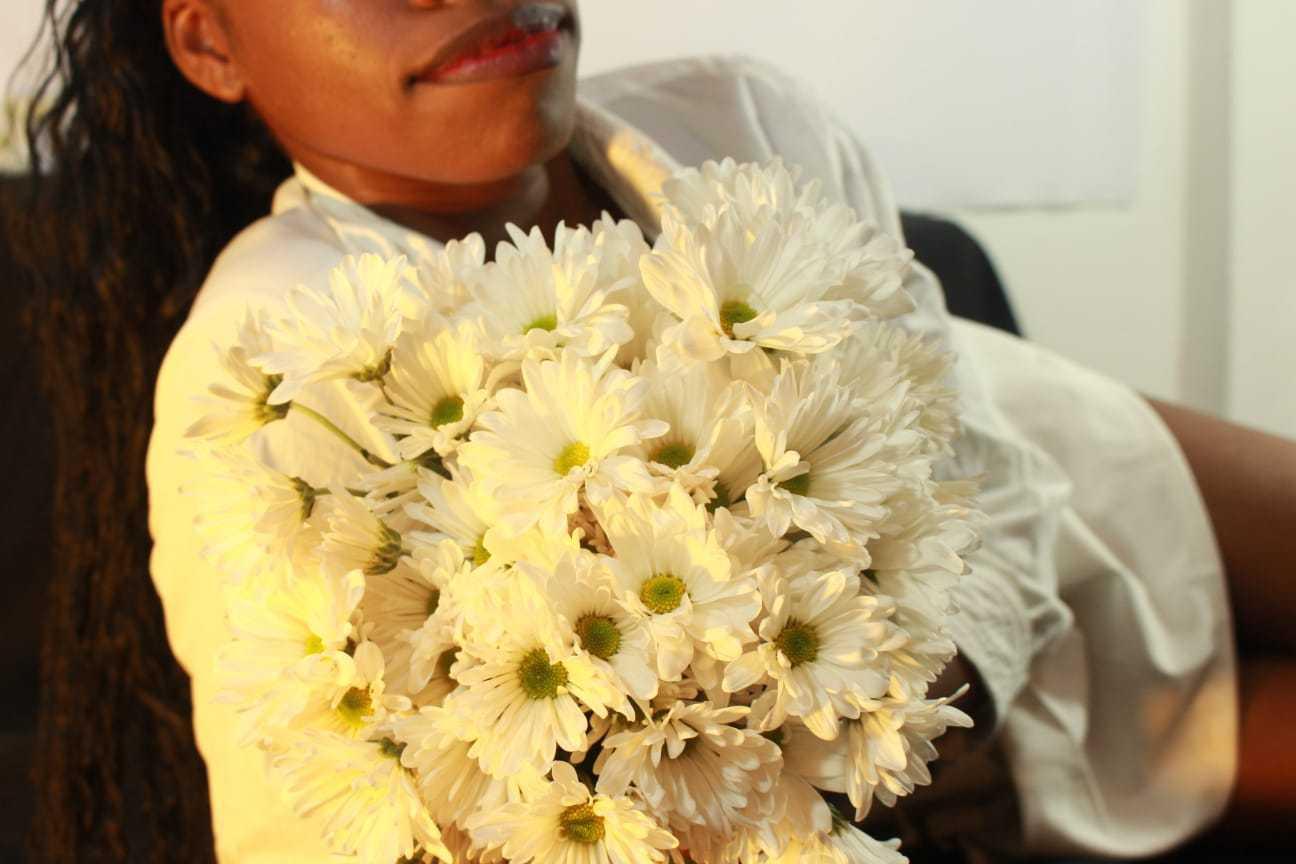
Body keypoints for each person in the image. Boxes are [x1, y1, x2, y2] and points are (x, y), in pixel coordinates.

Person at [11, 0, 1294, 862]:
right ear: (209, 43)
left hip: (1048, 494)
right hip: (936, 740)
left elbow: (967, 446)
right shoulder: (278, 370)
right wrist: (870, 754)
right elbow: (311, 812)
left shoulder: (739, 117)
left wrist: (956, 675)